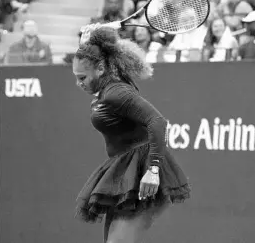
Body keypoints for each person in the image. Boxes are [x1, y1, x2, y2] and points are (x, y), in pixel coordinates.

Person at [73, 23, 191, 243]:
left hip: (143, 172)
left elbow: (157, 122)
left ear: (100, 69)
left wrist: (153, 170)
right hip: (124, 170)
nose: (78, 83)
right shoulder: (107, 84)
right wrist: (89, 38)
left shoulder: (116, 92)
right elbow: (95, 55)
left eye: (82, 78)